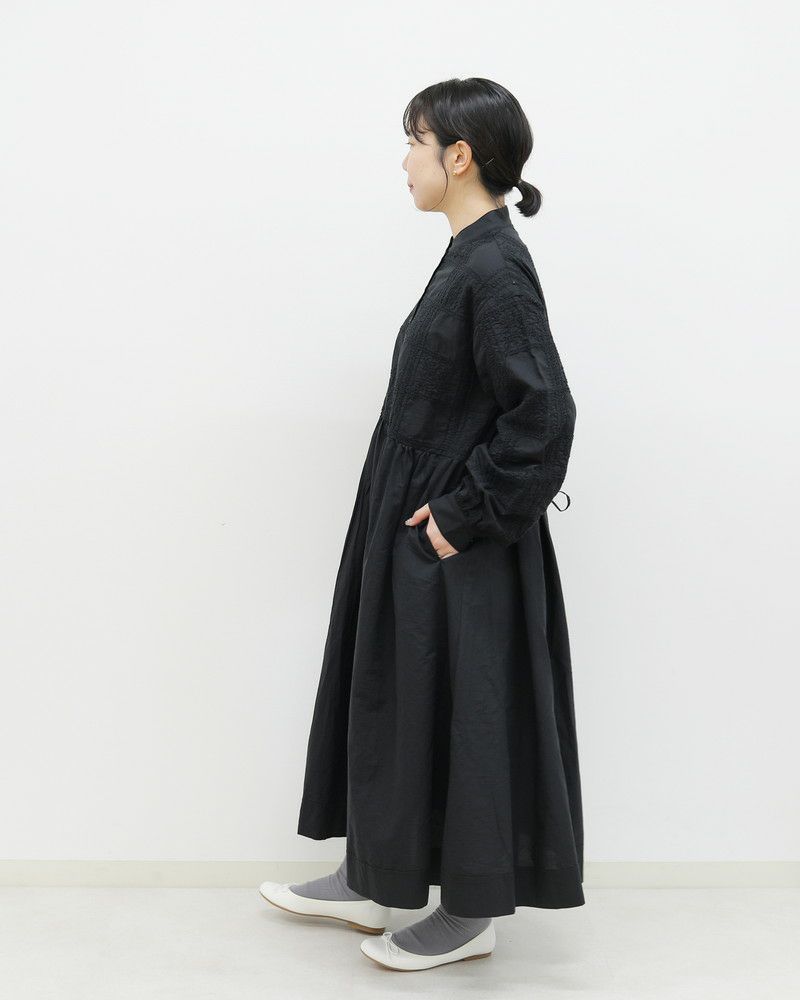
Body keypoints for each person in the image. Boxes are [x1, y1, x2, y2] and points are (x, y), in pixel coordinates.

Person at [260, 77, 584, 972]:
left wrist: (461, 514)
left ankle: (469, 917)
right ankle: (378, 880)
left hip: (458, 548)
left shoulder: (496, 268)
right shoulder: (466, 255)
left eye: (414, 141)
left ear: (460, 156)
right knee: (397, 703)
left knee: (463, 715)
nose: (404, 160)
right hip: (415, 529)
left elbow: (544, 416)